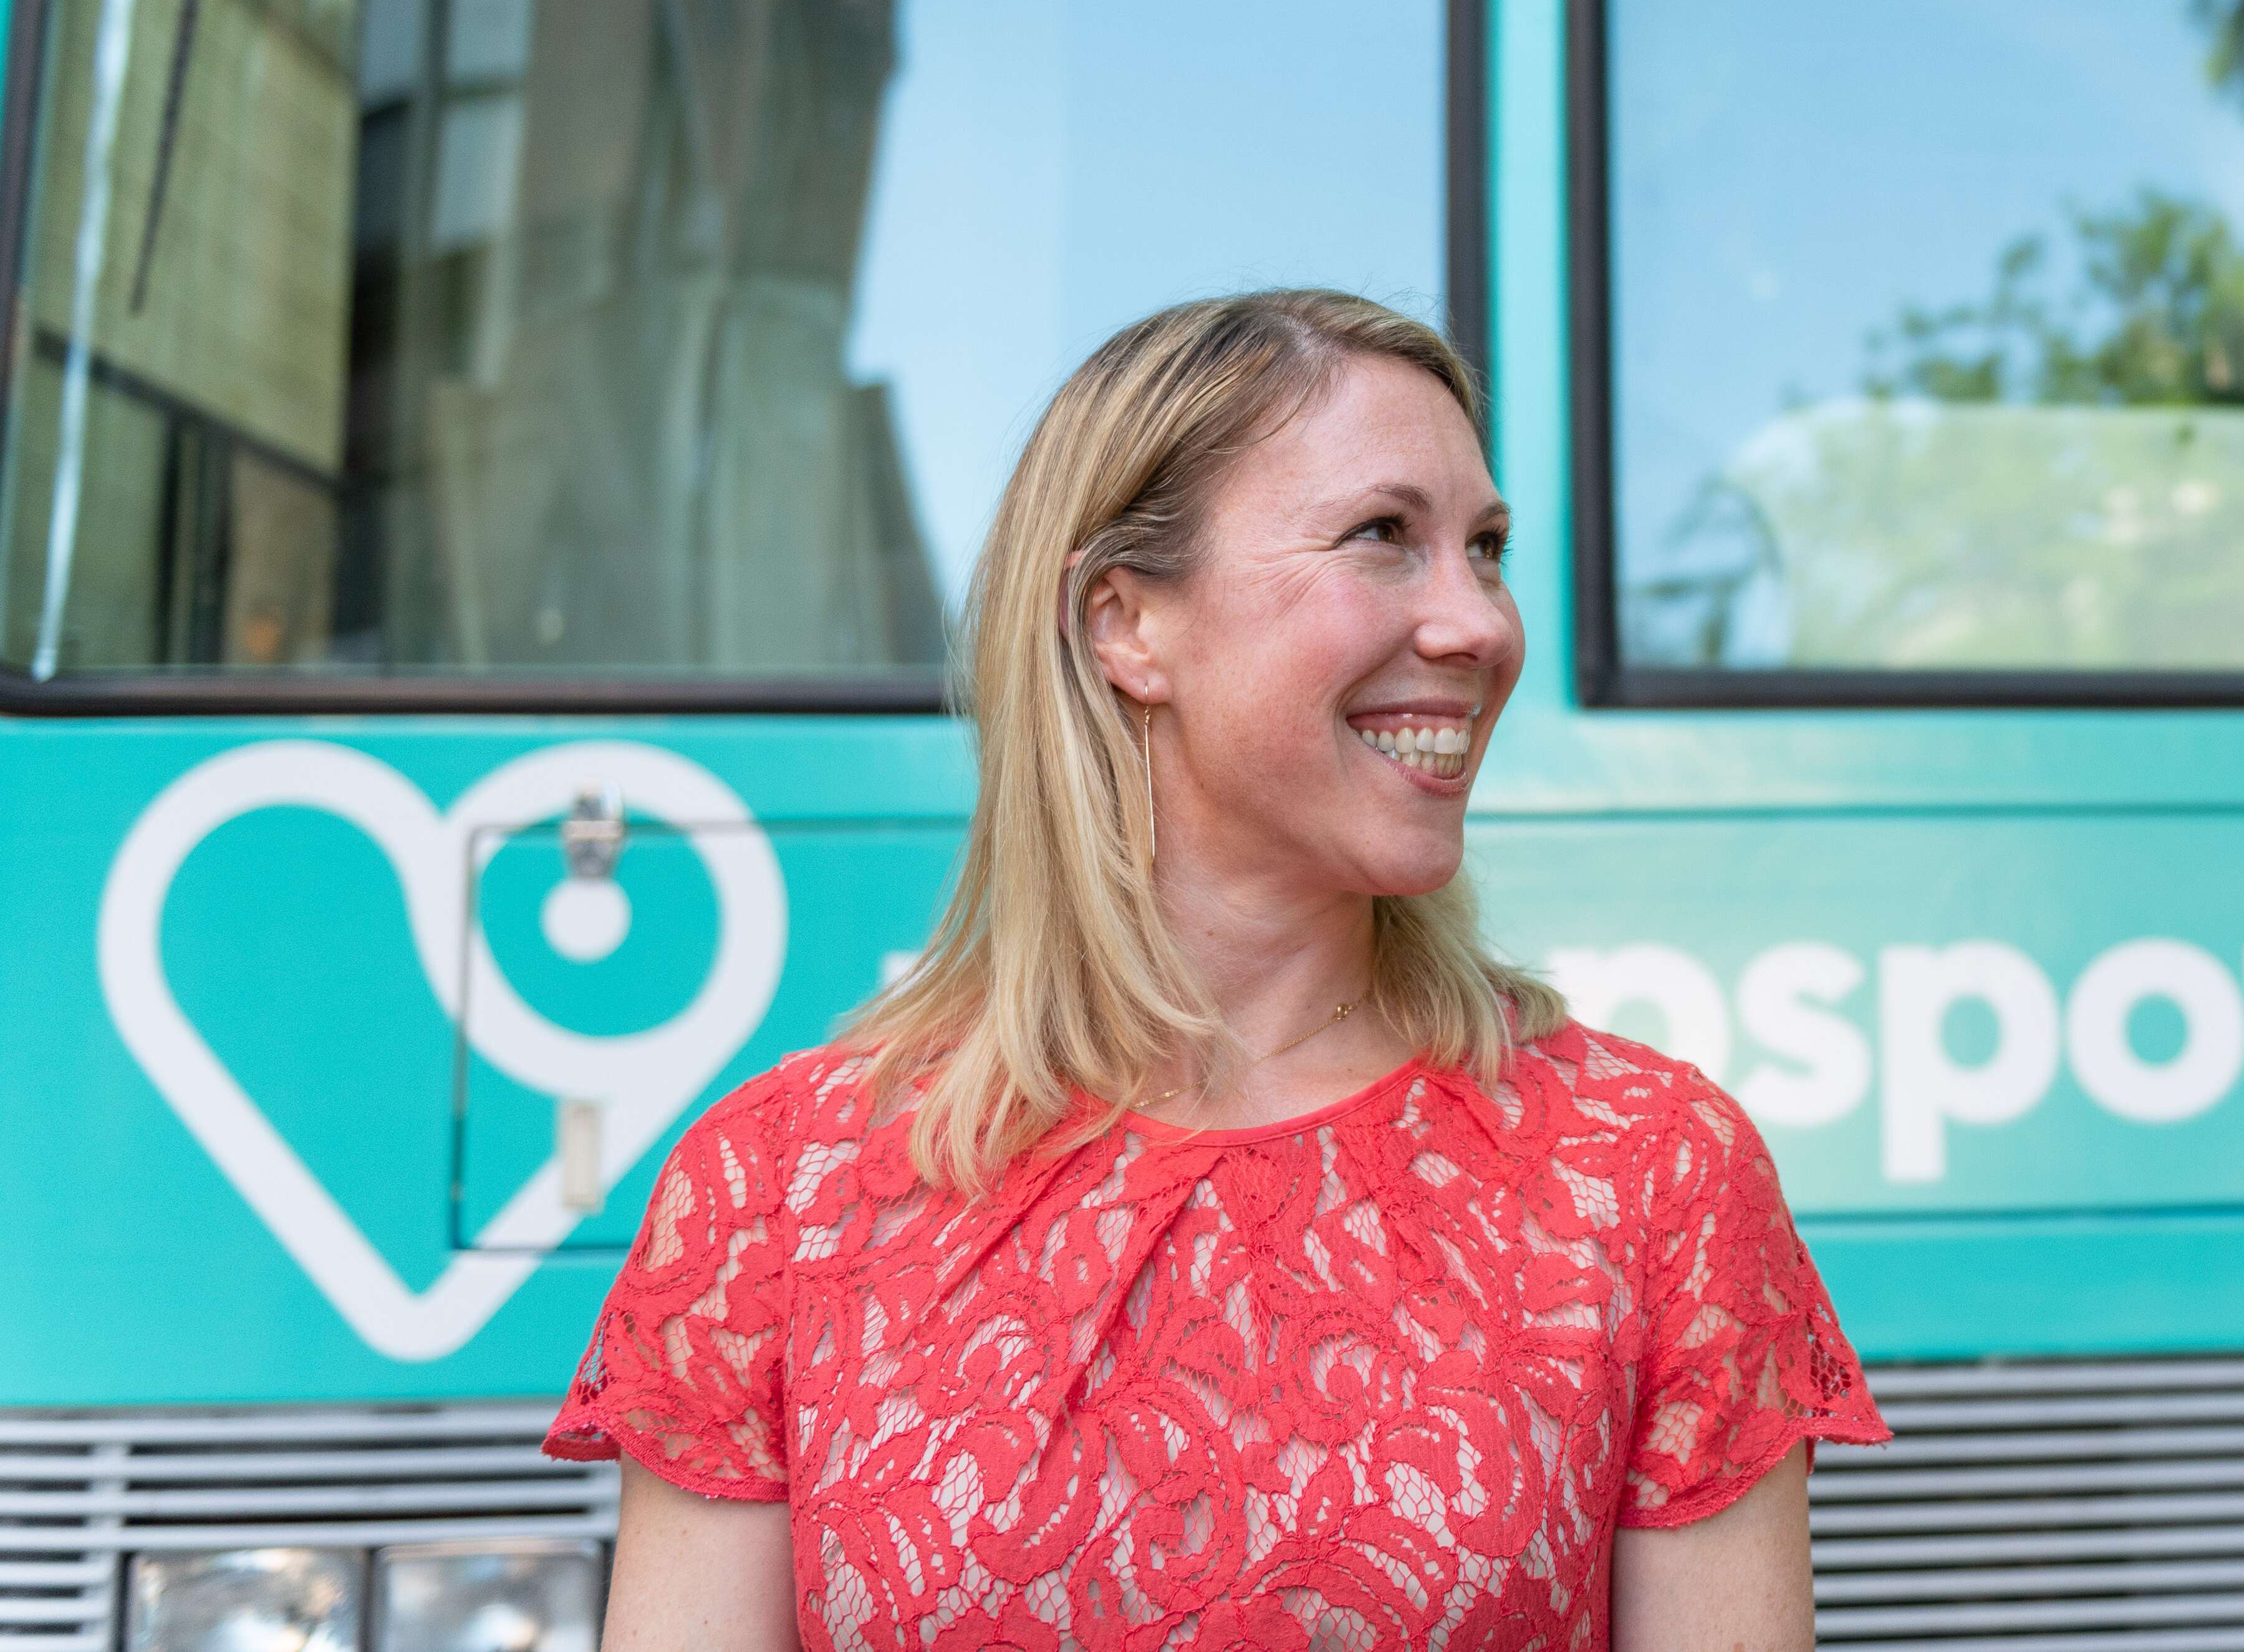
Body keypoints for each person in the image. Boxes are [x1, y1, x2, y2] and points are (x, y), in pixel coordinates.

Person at [549, 291, 1887, 1649]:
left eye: (1485, 550)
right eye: (1384, 537)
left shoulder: (1647, 1171)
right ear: (1126, 625)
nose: (1480, 624)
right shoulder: (778, 1190)